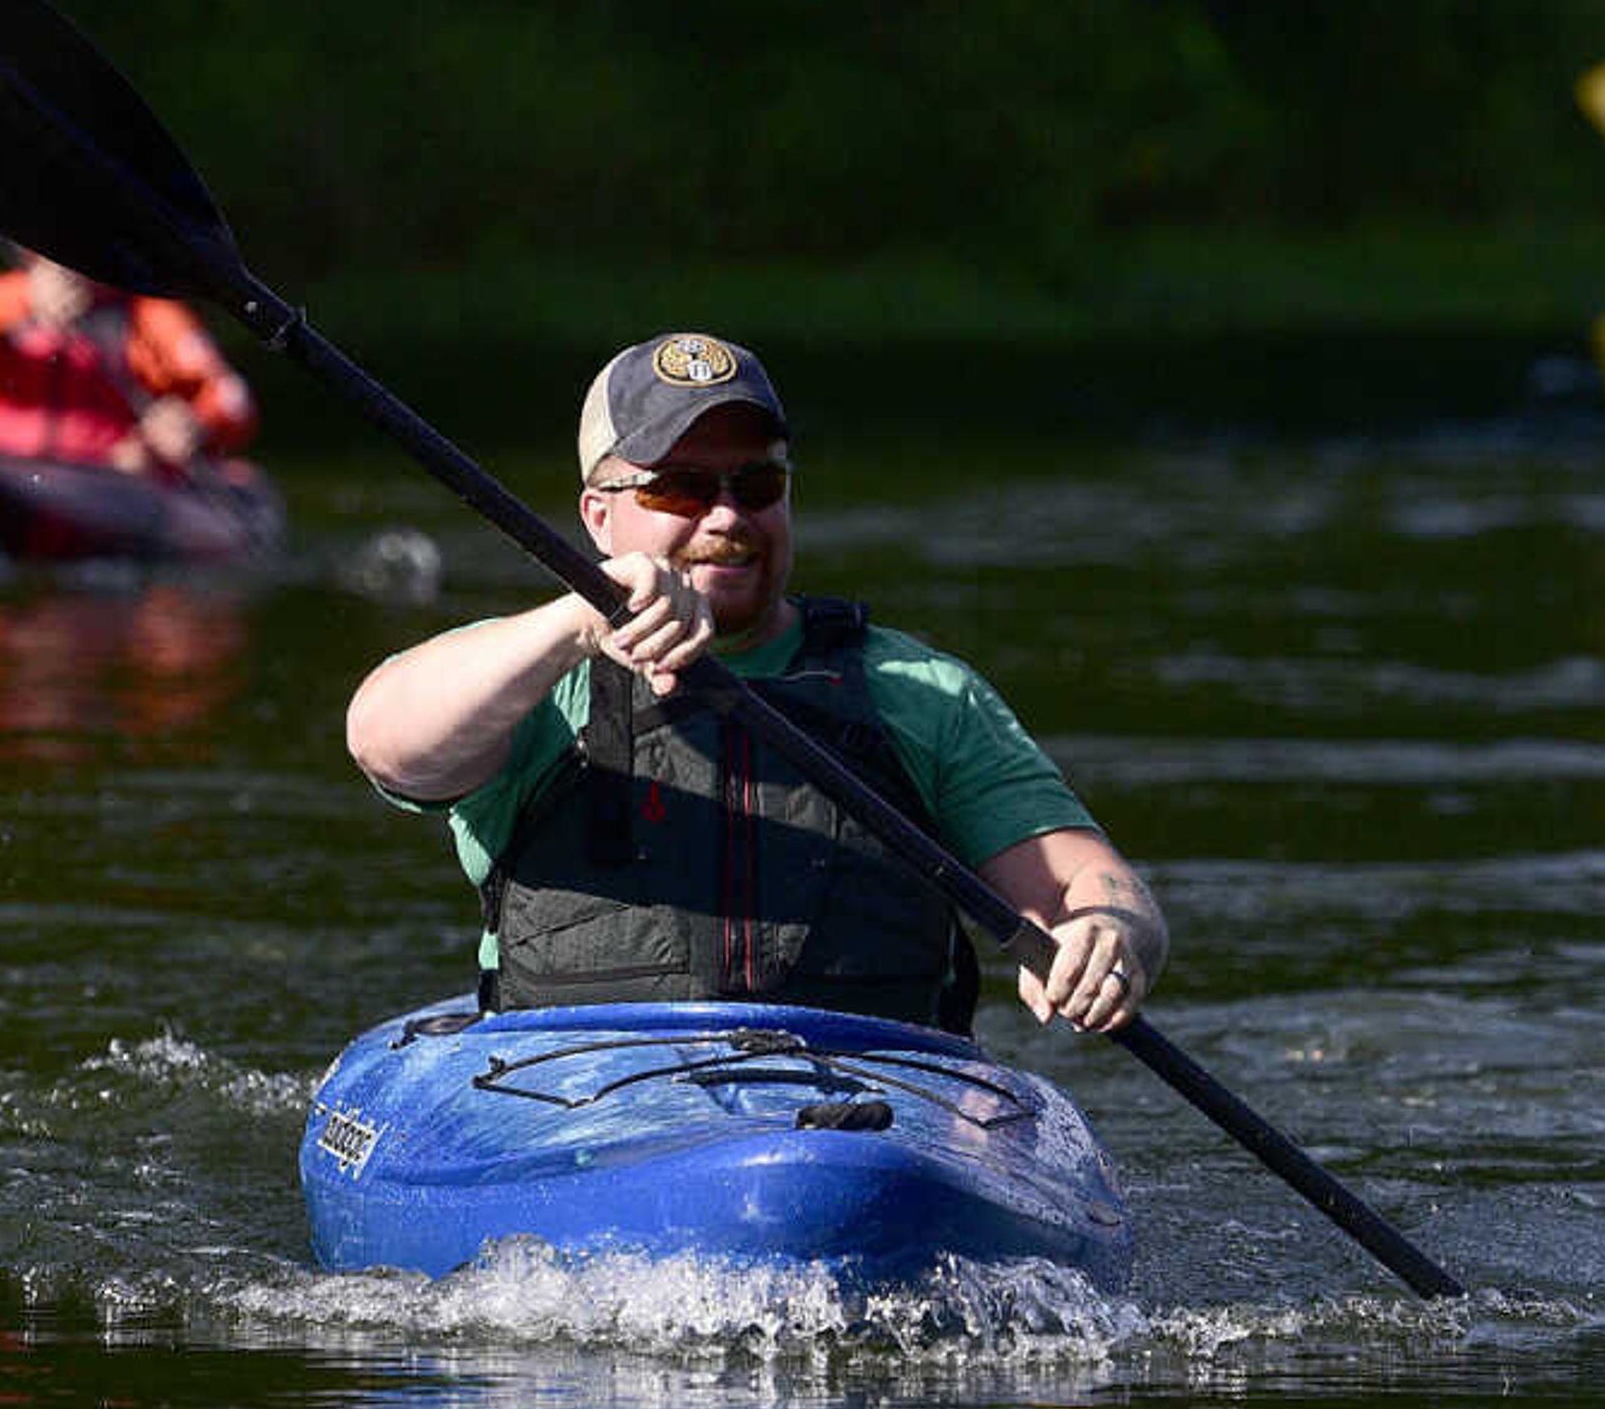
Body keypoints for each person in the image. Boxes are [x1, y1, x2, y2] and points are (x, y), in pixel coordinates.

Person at [343, 332, 1163, 1038]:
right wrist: (575, 625)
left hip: (865, 1108)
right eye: (682, 488)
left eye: (757, 486)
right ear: (599, 517)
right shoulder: (533, 670)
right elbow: (385, 743)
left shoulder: (918, 690)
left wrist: (1107, 930)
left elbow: (1090, 881)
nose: (727, 517)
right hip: (575, 1100)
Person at [0, 254, 260, 478]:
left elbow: (231, 399)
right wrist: (25, 296)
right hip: (4, 468)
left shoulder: (145, 316)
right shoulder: (13, 300)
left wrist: (196, 424)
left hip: (108, 477)